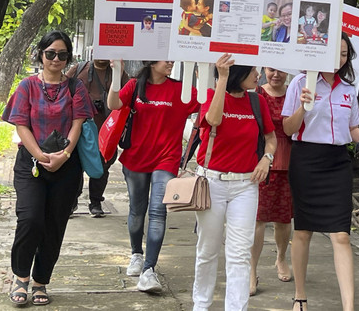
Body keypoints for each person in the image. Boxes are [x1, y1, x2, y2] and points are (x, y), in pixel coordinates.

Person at [2, 30, 95, 306]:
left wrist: (64, 155)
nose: (56, 59)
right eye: (51, 53)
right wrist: (41, 155)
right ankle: (20, 278)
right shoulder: (26, 86)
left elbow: (79, 123)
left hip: (65, 166)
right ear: (41, 54)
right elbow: (21, 124)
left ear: (68, 57)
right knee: (31, 219)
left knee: (54, 224)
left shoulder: (75, 87)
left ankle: (41, 281)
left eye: (62, 54)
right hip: (31, 163)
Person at [281, 32, 359, 311]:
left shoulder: (348, 88)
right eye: (335, 54)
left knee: (341, 234)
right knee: (304, 231)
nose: (339, 60)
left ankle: (349, 306)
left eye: (344, 55)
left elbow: (353, 127)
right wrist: (303, 108)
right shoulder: (300, 82)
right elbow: (287, 129)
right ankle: (300, 296)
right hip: (306, 161)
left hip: (337, 163)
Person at [192, 54, 277, 311]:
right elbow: (214, 120)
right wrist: (222, 80)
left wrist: (267, 158)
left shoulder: (257, 101)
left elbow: (271, 138)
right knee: (208, 250)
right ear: (238, 73)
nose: (258, 75)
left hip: (245, 186)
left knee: (240, 254)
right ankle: (201, 304)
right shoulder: (211, 95)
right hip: (211, 183)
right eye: (252, 70)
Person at [107, 60, 199, 293]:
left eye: (172, 58)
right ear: (150, 61)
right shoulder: (134, 86)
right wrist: (117, 71)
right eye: (165, 58)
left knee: (158, 212)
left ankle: (149, 270)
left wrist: (201, 67)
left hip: (166, 159)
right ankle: (136, 254)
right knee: (137, 210)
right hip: (136, 158)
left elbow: (207, 100)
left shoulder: (181, 90)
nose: (170, 62)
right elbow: (113, 103)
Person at [65, 59, 129, 217]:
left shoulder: (118, 72)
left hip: (106, 131)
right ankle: (72, 202)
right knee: (75, 167)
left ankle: (96, 201)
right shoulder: (79, 69)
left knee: (102, 168)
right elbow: (64, 88)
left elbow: (128, 96)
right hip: (81, 129)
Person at [249, 67, 293, 296]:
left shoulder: (295, 92)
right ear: (264, 69)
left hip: (290, 160)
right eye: (271, 70)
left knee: (284, 218)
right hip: (260, 161)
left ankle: (281, 258)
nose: (276, 75)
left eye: (281, 71)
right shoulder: (255, 93)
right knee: (258, 219)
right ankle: (251, 270)